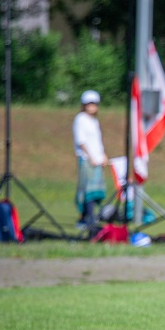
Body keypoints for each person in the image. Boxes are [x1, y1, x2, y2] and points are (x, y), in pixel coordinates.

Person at [73, 90, 108, 233]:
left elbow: (97, 142)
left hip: (96, 160)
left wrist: (103, 155)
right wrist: (91, 157)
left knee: (95, 192)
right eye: (89, 103)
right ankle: (88, 218)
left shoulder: (94, 121)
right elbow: (81, 141)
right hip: (87, 160)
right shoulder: (80, 119)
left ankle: (87, 218)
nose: (91, 106)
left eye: (94, 103)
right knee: (87, 191)